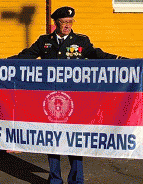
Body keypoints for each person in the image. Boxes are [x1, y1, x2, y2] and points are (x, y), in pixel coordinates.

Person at [7, 6, 127, 184]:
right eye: (64, 22)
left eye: (70, 22)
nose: (68, 26)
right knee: (52, 139)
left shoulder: (81, 41)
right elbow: (26, 56)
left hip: (74, 99)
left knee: (75, 139)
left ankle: (76, 179)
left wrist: (122, 61)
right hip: (51, 99)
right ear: (56, 23)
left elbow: (97, 55)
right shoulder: (44, 41)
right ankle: (55, 179)